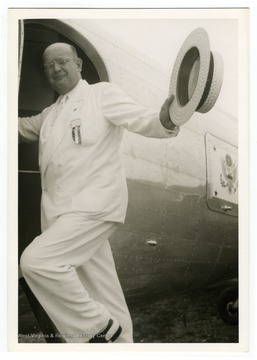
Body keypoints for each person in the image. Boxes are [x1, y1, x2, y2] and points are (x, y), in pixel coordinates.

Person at [19, 42, 179, 343]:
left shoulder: (101, 95)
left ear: (78, 65)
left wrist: (166, 120)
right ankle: (120, 344)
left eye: (62, 61)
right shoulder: (50, 114)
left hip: (93, 206)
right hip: (59, 215)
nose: (56, 68)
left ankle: (98, 330)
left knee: (36, 262)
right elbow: (18, 128)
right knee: (103, 291)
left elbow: (141, 119)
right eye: (49, 65)